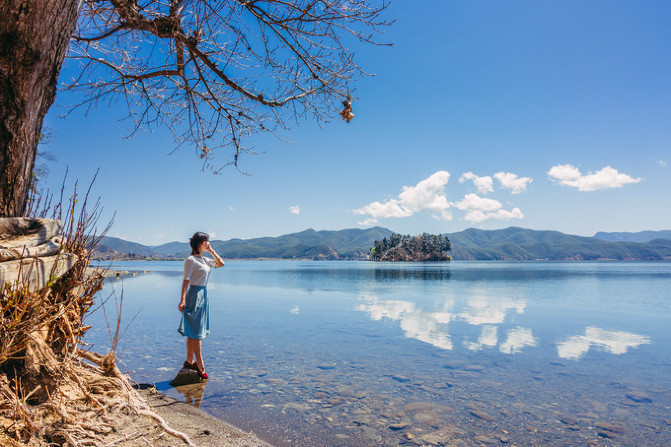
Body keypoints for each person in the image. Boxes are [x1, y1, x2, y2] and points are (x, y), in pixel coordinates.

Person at [178, 232, 225, 379]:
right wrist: (182, 300)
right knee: (196, 332)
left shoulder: (204, 259)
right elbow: (186, 280)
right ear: (200, 243)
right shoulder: (191, 260)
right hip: (194, 295)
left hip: (203, 295)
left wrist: (211, 251)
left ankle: (189, 361)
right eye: (206, 241)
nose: (208, 243)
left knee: (193, 331)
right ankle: (200, 365)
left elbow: (221, 264)